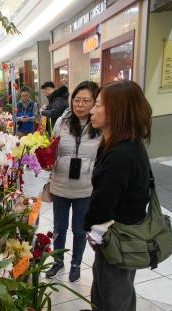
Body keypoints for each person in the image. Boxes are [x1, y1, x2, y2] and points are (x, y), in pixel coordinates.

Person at [80, 80, 152, 311]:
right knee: (103, 277)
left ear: (116, 112)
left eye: (98, 104)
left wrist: (90, 227)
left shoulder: (122, 154)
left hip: (119, 233)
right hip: (115, 229)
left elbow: (103, 203)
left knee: (117, 288)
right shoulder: (120, 144)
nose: (93, 109)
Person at [46, 81, 100, 282]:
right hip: (60, 185)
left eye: (86, 101)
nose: (80, 105)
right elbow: (51, 148)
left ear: (94, 102)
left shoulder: (99, 126)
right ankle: (57, 261)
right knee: (59, 228)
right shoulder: (62, 121)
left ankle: (75, 264)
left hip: (85, 189)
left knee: (79, 230)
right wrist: (46, 161)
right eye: (77, 100)